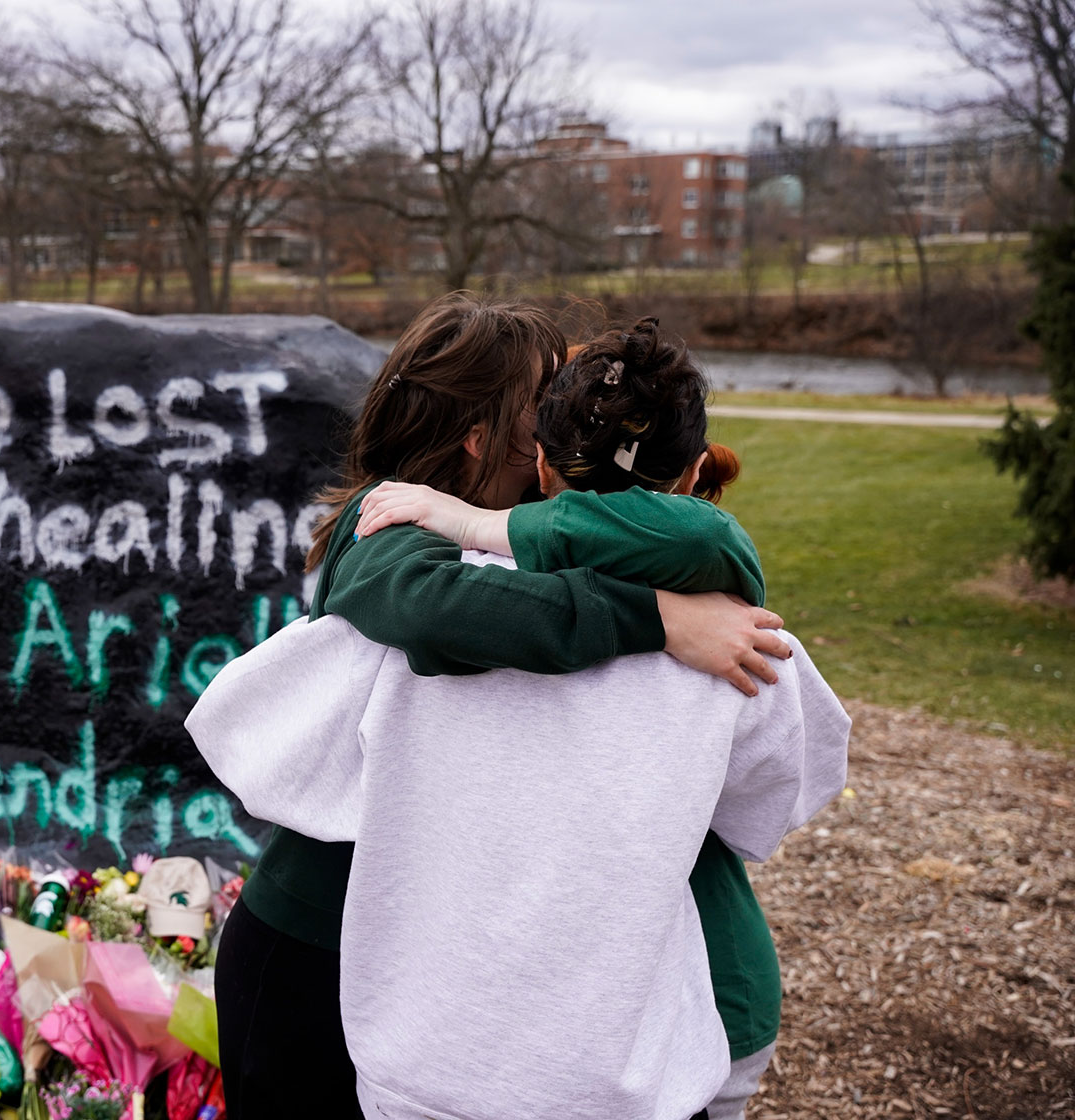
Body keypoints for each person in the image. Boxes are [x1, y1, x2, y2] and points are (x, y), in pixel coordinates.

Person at [189, 316, 851, 1118]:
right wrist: (657, 619)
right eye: (548, 406)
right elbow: (435, 606)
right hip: (318, 940)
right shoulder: (394, 535)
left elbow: (695, 544)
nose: (575, 423)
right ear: (487, 441)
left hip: (432, 984)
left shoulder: (560, 554)